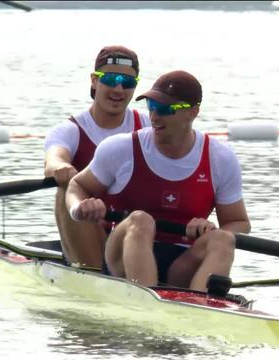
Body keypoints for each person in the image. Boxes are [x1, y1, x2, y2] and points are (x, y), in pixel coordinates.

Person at [65, 70, 251, 292]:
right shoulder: (120, 149)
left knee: (223, 240)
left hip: (182, 263)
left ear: (192, 112)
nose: (155, 116)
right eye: (151, 106)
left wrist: (210, 227)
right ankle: (146, 301)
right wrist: (79, 207)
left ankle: (201, 307)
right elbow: (77, 186)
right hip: (122, 255)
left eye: (164, 109)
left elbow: (239, 222)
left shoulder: (220, 159)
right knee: (141, 220)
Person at [44, 45, 151, 269]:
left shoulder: (149, 126)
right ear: (94, 80)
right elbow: (54, 161)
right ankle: (92, 270)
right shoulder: (70, 130)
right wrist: (62, 169)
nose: (119, 89)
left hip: (138, 231)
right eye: (111, 79)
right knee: (67, 188)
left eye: (128, 82)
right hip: (90, 232)